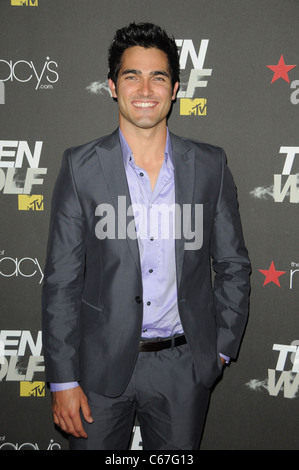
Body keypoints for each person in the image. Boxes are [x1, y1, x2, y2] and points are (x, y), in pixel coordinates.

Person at [42, 22, 251, 450]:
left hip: (183, 366)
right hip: (98, 368)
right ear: (112, 86)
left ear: (174, 88)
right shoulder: (81, 167)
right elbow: (62, 281)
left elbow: (232, 264)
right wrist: (63, 378)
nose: (145, 88)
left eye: (158, 76)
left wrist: (220, 349)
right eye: (131, 75)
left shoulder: (209, 165)